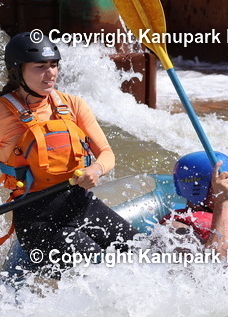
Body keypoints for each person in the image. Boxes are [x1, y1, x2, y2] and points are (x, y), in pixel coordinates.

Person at [0, 32, 136, 273]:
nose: (51, 73)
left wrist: (95, 169)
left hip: (81, 204)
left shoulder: (72, 104)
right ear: (17, 70)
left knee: (141, 251)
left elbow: (106, 153)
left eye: (54, 65)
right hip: (36, 218)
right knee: (95, 268)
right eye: (40, 66)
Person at [161, 151, 228, 262]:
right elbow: (217, 264)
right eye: (222, 185)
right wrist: (221, 202)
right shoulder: (174, 229)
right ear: (198, 189)